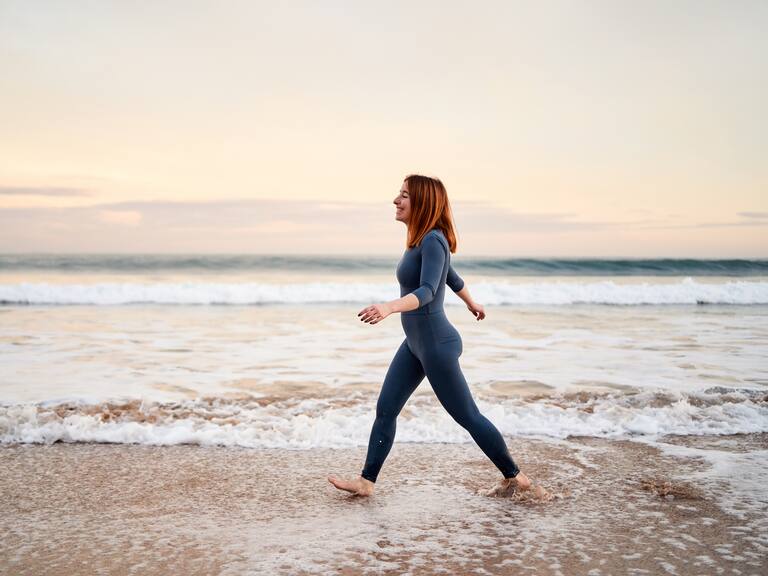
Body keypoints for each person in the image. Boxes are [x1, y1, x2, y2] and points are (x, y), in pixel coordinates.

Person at [328, 174, 547, 499]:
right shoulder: (420, 242)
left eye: (404, 195)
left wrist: (389, 307)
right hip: (416, 345)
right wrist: (472, 302)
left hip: (436, 347)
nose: (396, 200)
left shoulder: (433, 240)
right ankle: (367, 482)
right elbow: (451, 277)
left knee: (468, 416)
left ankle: (517, 478)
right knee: (386, 409)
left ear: (423, 202)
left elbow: (429, 291)